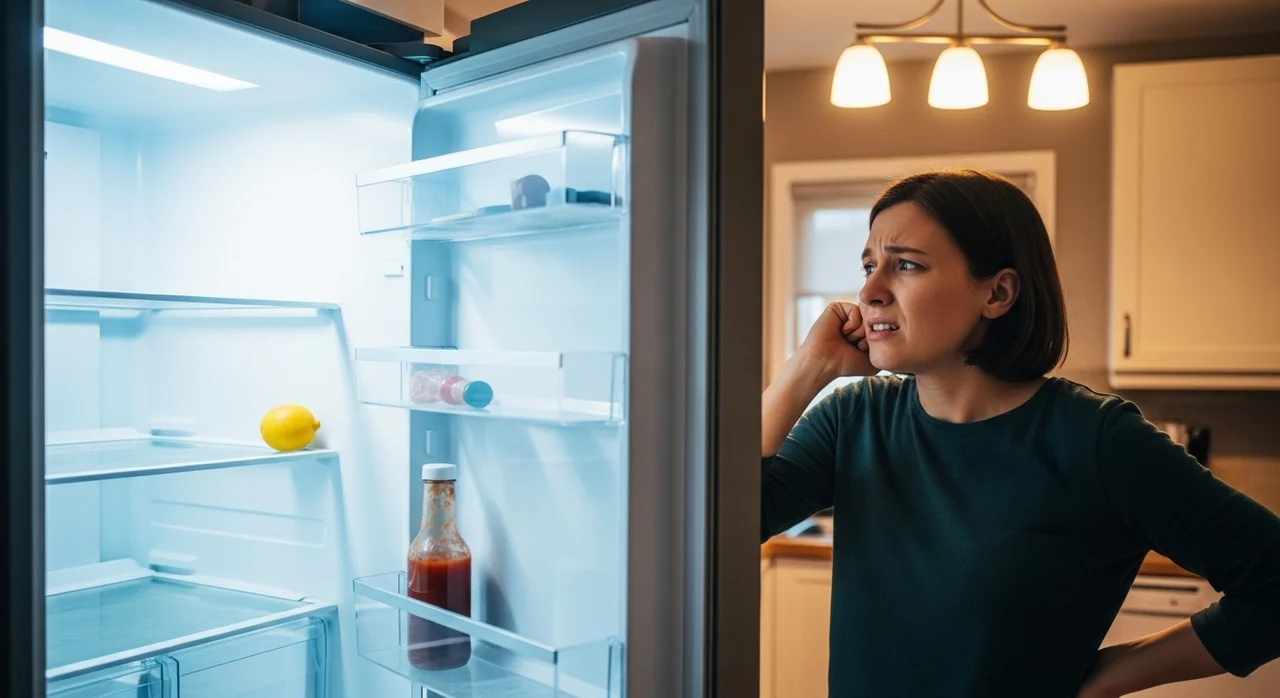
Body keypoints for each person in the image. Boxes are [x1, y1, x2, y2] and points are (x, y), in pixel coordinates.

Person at [760, 169, 1280, 698]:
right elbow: (724, 525)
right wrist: (808, 368)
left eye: (906, 265)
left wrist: (1104, 679)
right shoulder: (853, 419)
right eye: (869, 266)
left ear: (998, 293)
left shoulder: (1097, 441)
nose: (869, 292)